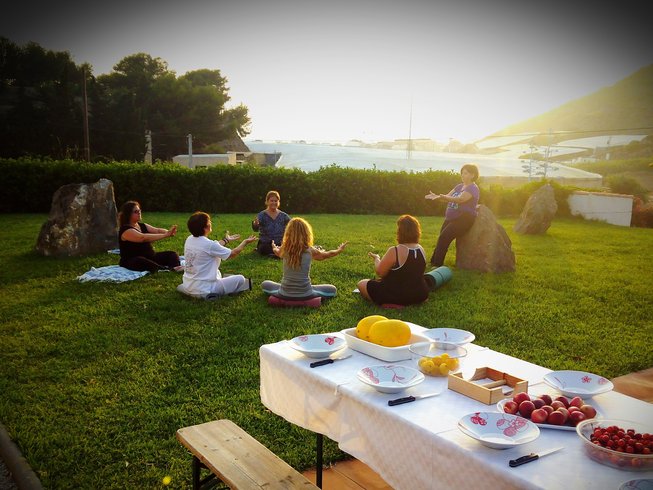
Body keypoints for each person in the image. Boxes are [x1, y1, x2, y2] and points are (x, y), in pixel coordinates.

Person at [261, 217, 347, 299]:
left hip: (284, 293)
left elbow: (277, 253)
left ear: (288, 233)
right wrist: (339, 250)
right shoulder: (310, 250)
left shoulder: (285, 248)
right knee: (332, 289)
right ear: (306, 233)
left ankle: (286, 293)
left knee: (265, 284)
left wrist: (274, 247)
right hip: (306, 294)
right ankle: (306, 293)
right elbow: (326, 254)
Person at [178, 212, 257, 299]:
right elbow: (233, 253)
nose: (210, 223)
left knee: (218, 272)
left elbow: (212, 248)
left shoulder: (189, 239)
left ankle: (192, 291)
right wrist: (245, 242)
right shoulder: (209, 245)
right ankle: (208, 294)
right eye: (209, 222)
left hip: (188, 285)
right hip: (205, 288)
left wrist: (226, 240)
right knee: (240, 279)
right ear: (206, 227)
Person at [357, 215, 430, 306]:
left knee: (361, 284)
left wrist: (377, 258)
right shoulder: (421, 249)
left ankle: (392, 303)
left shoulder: (395, 250)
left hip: (398, 295)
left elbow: (380, 272)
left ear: (400, 231)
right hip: (420, 294)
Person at [425, 163, 480, 267]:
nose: (462, 175)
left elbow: (461, 199)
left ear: (473, 175)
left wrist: (444, 197)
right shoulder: (459, 186)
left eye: (465, 173)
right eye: (462, 173)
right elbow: (447, 197)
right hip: (451, 218)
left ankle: (437, 265)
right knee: (441, 238)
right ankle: (433, 262)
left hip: (464, 219)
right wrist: (437, 196)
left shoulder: (473, 188)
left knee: (444, 238)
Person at [118, 200, 181, 272]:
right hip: (133, 260)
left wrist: (168, 232)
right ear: (128, 214)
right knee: (140, 261)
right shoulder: (125, 230)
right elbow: (142, 238)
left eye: (139, 210)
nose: (139, 213)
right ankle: (165, 269)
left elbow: (157, 230)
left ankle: (176, 267)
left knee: (172, 254)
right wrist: (165, 235)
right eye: (136, 212)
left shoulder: (142, 225)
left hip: (150, 256)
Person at [252, 190, 291, 257]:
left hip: (280, 243)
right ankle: (277, 254)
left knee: (289, 247)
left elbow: (292, 225)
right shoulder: (261, 215)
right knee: (264, 248)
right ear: (267, 202)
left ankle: (276, 253)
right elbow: (255, 229)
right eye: (271, 200)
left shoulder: (284, 215)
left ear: (278, 202)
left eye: (276, 201)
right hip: (266, 243)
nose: (274, 202)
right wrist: (255, 224)